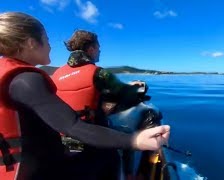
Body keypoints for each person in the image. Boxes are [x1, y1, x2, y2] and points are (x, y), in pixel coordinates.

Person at [0, 12, 170, 180]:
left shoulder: (57, 73)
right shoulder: (28, 80)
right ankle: (134, 175)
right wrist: (136, 140)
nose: (50, 46)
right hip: (64, 154)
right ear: (31, 43)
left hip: (59, 146)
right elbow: (75, 125)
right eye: (47, 40)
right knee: (119, 147)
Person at [51, 30, 161, 178]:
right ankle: (131, 176)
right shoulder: (99, 73)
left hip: (66, 140)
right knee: (132, 133)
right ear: (91, 49)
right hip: (93, 140)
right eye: (98, 47)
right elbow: (126, 95)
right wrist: (137, 86)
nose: (100, 50)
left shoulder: (56, 74)